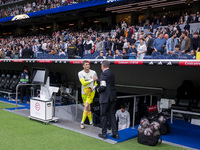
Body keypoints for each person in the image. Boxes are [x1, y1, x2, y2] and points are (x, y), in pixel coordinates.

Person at [98, 60, 119, 140]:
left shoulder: (103, 74)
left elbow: (103, 87)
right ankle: (115, 133)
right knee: (112, 115)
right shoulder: (112, 73)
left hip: (105, 98)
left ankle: (104, 134)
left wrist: (97, 89)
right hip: (113, 97)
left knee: (103, 115)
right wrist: (97, 80)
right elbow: (108, 83)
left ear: (102, 66)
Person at [78, 60, 98, 129]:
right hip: (84, 92)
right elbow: (83, 83)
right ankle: (91, 122)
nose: (88, 66)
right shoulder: (80, 73)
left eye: (88, 64)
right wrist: (92, 80)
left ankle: (82, 122)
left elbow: (96, 82)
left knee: (86, 106)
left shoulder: (93, 72)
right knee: (88, 107)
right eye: (86, 64)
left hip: (91, 92)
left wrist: (94, 87)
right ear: (83, 66)